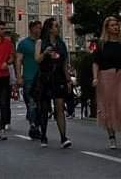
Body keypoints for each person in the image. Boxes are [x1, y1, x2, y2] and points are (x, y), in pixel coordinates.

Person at [92, 16, 121, 149]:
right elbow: (96, 62)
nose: (115, 27)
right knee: (109, 108)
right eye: (112, 25)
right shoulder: (101, 44)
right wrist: (95, 78)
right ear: (107, 28)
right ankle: (112, 137)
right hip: (106, 77)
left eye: (116, 25)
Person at [34, 17, 72, 149]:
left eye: (58, 26)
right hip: (45, 77)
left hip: (58, 77)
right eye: (55, 26)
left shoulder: (61, 44)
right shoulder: (40, 42)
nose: (58, 28)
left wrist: (68, 80)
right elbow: (37, 60)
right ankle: (43, 135)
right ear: (49, 29)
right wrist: (44, 53)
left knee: (60, 106)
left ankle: (63, 137)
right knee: (44, 108)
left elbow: (64, 64)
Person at [16, 20, 42, 140]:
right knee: (31, 103)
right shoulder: (23, 44)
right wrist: (19, 76)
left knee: (40, 105)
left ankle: (36, 124)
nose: (39, 30)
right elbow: (19, 60)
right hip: (29, 77)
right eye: (37, 28)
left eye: (40, 28)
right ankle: (33, 126)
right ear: (31, 29)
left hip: (41, 78)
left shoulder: (42, 43)